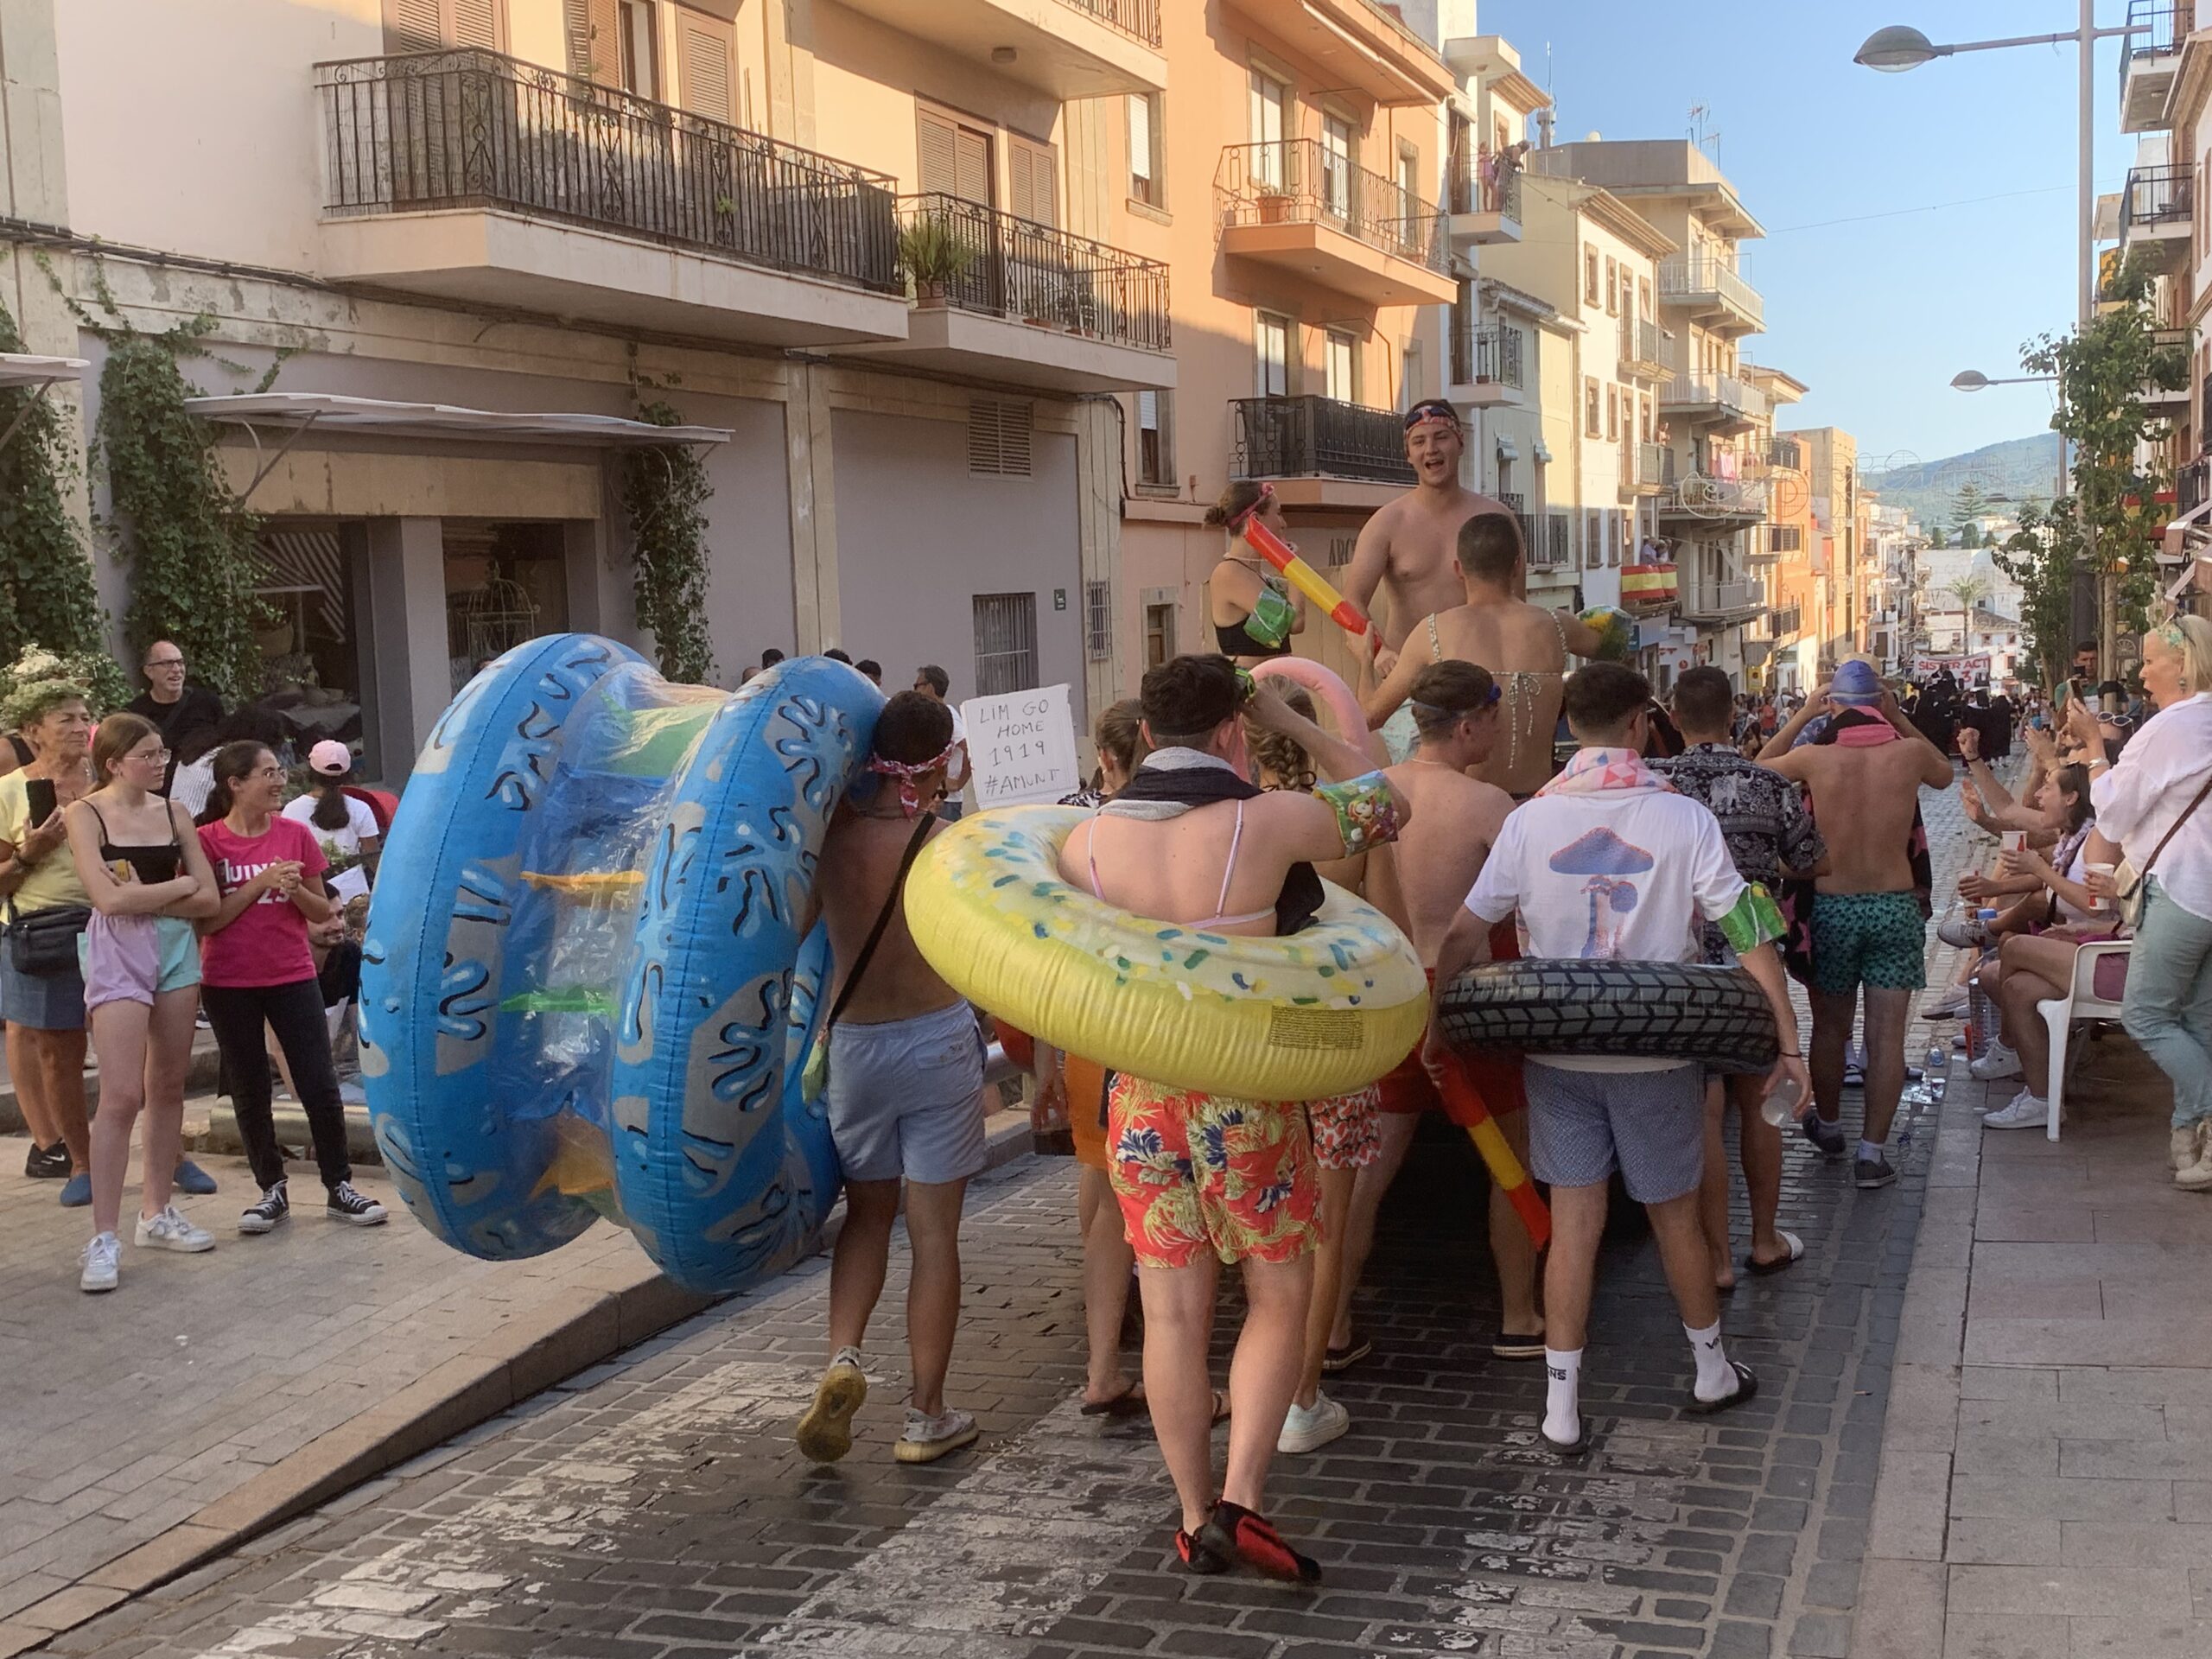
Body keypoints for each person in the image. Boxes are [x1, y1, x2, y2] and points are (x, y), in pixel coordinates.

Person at [1061, 655, 1408, 1580]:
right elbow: (1382, 801)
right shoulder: (1264, 821)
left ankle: (1185, 1513)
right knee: (1278, 1293)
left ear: (1143, 736)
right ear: (1232, 732)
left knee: (1169, 1314)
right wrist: (1290, 724)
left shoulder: (1086, 841)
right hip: (1242, 1093)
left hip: (1140, 1094)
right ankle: (1242, 1500)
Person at [1431, 662, 1808, 1455]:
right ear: (1642, 722)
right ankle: (1709, 1369)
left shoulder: (1529, 822)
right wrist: (1787, 1041)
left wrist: (1440, 1021)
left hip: (1560, 1056)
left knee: (1573, 1227)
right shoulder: (1683, 821)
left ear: (1571, 723)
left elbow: (1465, 933)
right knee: (1675, 1216)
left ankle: (1560, 1407)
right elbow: (1748, 933)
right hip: (1658, 1058)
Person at [794, 692, 987, 1468]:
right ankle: (926, 1415)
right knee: (934, 1236)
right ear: (939, 759)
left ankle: (843, 1356)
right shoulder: (950, 841)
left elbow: (796, 929)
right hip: (937, 1038)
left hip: (858, 1046)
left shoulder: (832, 838)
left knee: (867, 1216)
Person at [1341, 661, 1535, 1362]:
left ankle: (1332, 1327)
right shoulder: (1488, 807)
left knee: (1367, 1173)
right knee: (1509, 1157)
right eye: (1496, 715)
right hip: (1468, 997)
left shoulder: (1373, 795)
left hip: (1391, 994)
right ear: (1467, 725)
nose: (1503, 728)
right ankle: (1519, 1315)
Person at [1654, 667, 1827, 1286]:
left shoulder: (1654, 785)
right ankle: (1763, 1239)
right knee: (1762, 1105)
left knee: (1703, 1111)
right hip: (1750, 964)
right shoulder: (1767, 783)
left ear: (1673, 719)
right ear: (1733, 715)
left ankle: (1716, 1260)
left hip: (1681, 971)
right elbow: (1813, 860)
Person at [1245, 685, 1382, 1456]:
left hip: (1259, 1037)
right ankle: (1303, 1396)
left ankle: (1257, 1381)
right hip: (1332, 1031)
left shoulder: (1240, 823)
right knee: (1326, 1223)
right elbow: (1378, 924)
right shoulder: (1338, 824)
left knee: (1265, 1221)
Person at [1761, 661, 1956, 1188]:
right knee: (1888, 1037)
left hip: (1833, 908)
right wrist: (1901, 716)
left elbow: (1760, 766)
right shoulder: (1910, 753)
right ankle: (1872, 1154)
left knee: (1831, 1029)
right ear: (1881, 703)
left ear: (1836, 706)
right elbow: (1945, 770)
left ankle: (1827, 1125)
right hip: (1893, 906)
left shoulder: (1816, 758)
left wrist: (1804, 711)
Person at [195, 741, 388, 1235]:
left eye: (280, 771)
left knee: (319, 1083)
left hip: (291, 973)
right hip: (228, 979)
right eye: (267, 773)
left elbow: (323, 911)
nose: (279, 780)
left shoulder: (294, 834)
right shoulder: (207, 841)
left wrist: (293, 888)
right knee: (249, 1086)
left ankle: (339, 1187)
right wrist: (258, 885)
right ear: (235, 785)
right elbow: (208, 921)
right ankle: (271, 1190)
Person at [63, 714, 224, 1292]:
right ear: (113, 763)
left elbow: (207, 897)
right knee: (121, 1093)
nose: (160, 764)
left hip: (176, 946)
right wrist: (175, 888)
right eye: (148, 756)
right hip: (116, 952)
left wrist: (147, 895)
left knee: (170, 1084)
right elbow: (105, 899)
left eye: (162, 754)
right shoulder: (86, 813)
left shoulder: (176, 812)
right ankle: (103, 1235)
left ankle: (155, 1211)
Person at [2072, 617, 2212, 1186]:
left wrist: (2092, 750)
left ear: (2181, 664)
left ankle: (2206, 1114)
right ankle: (2190, 1139)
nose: (2142, 671)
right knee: (2199, 1020)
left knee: (2147, 1015)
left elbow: (2114, 810)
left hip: (2182, 888)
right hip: (2204, 891)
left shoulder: (2174, 726)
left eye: (2152, 660)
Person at [1047, 700, 1146, 1415]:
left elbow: (1045, 952)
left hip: (1090, 1027)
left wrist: (1045, 1061)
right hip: (1163, 1028)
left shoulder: (1071, 828)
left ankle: (1103, 1359)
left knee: (1106, 1191)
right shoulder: (1183, 821)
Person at [1363, 512, 1608, 798]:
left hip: (1463, 808)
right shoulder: (1556, 626)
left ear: (1458, 569)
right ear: (1518, 566)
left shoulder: (1432, 632)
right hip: (1535, 807)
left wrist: (1367, 659)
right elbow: (1613, 645)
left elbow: (1369, 717)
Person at [1961, 761, 2116, 1129]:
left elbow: (2097, 905)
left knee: (2012, 948)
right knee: (2011, 984)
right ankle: (2041, 1097)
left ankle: (2012, 1050)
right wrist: (1996, 887)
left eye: (2048, 787)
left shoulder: (2099, 838)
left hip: (2105, 955)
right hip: (2085, 945)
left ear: (2072, 797)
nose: (2039, 795)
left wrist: (2041, 870)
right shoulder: (2071, 836)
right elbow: (2013, 825)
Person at [0, 680, 99, 1197]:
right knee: (58, 1051)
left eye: (84, 717)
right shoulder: (8, 791)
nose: (81, 727)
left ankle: (167, 1160)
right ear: (33, 731)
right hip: (43, 929)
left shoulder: (106, 778)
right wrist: (30, 852)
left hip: (114, 923)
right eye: (66, 719)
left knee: (142, 1045)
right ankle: (74, 1158)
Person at [1344, 401, 1514, 656]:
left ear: (1460, 443)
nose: (1431, 449)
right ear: (1408, 454)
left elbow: (1517, 604)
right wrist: (1379, 653)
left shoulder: (1496, 518)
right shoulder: (1387, 523)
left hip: (1480, 672)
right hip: (1411, 676)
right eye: (1419, 441)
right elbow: (1352, 601)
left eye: (1441, 437)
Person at [1203, 481, 1306, 666]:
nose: (1284, 523)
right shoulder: (1229, 573)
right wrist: (1294, 568)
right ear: (1256, 520)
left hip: (1277, 685)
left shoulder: (1260, 576)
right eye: (1278, 513)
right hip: (1251, 689)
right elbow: (1294, 623)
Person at [124, 641, 224, 795]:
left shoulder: (207, 702)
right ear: (149, 671)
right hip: (158, 797)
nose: (176, 670)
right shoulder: (134, 714)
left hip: (206, 795)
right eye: (167, 664)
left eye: (180, 662)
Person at [282, 741, 381, 893]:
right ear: (347, 773)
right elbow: (373, 858)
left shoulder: (291, 810)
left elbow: (288, 859)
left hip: (312, 896)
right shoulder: (361, 808)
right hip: (354, 895)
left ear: (310, 771)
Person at [912, 665, 971, 822]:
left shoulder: (948, 717)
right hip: (933, 798)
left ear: (930, 687)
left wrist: (958, 783)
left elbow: (970, 749)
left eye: (917, 686)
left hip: (946, 803)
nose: (916, 691)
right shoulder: (936, 715)